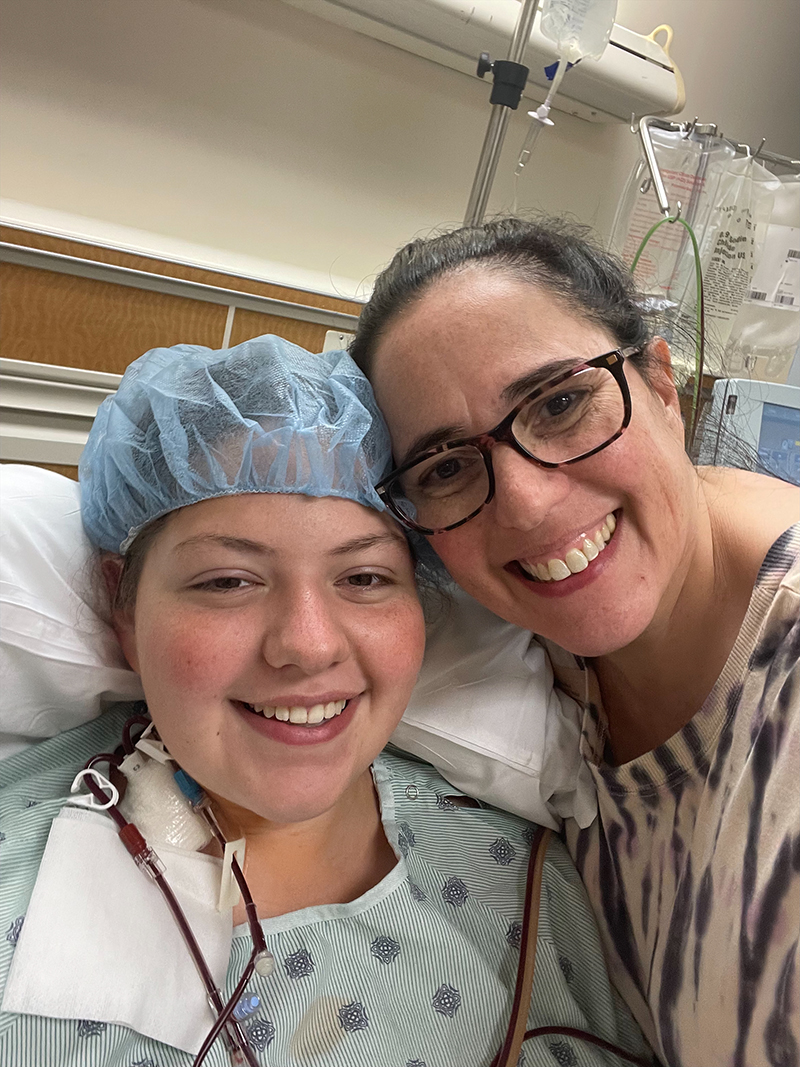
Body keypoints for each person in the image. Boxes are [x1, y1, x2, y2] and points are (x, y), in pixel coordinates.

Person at [0, 335, 652, 1067]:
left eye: (366, 578)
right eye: (227, 580)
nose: (308, 645)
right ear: (124, 609)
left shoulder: (540, 893)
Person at [348, 217, 800, 1067]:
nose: (526, 505)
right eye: (445, 465)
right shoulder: (528, 644)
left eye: (560, 403)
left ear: (661, 384)